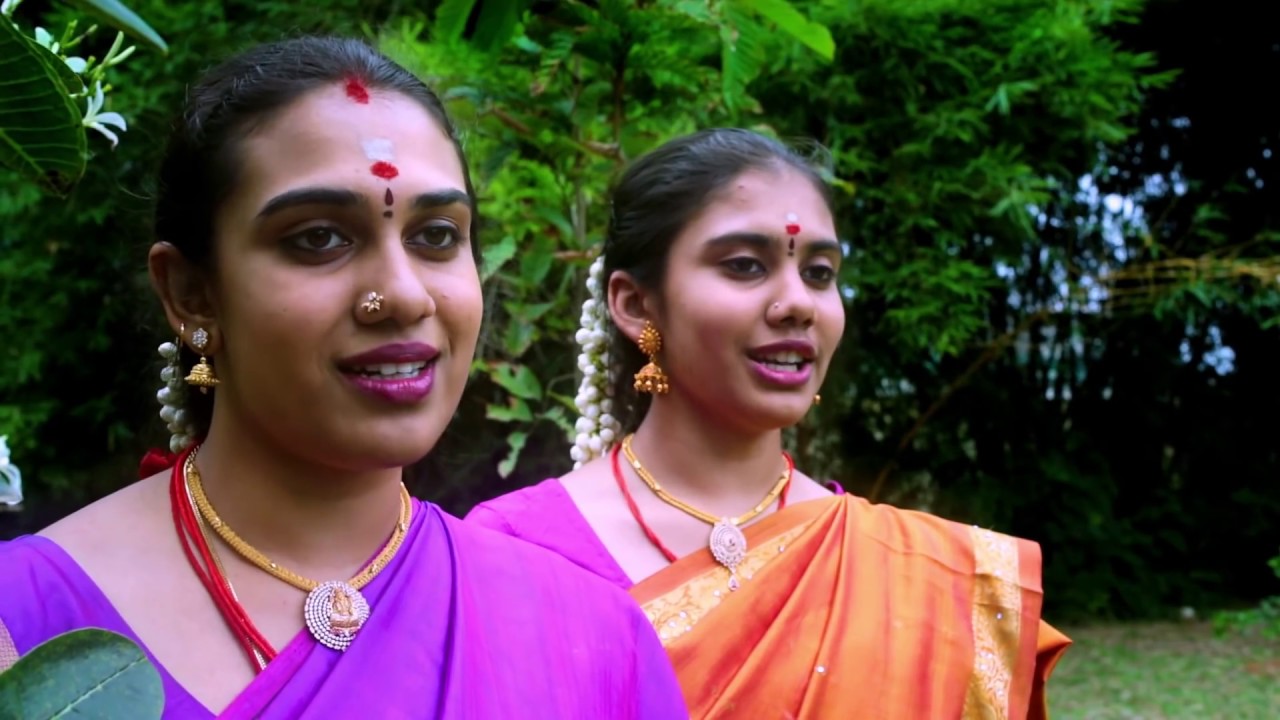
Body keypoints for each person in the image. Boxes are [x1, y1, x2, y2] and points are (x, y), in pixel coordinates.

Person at [0, 37, 688, 720]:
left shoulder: (593, 641)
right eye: (319, 238)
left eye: (436, 236)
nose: (404, 295)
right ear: (191, 294)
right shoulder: (19, 626)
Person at [466, 128, 1072, 719]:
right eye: (745, 266)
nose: (799, 303)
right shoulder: (511, 552)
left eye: (820, 273)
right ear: (635, 304)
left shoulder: (907, 573)